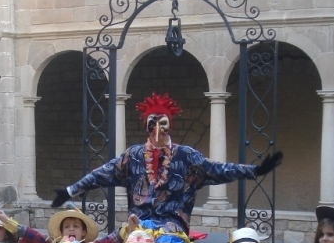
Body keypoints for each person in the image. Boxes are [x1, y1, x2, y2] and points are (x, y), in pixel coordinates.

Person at [52, 91, 283, 234]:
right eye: (153, 124)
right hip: (138, 223)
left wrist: (255, 170)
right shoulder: (132, 155)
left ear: (169, 124)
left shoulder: (187, 156)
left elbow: (219, 170)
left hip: (172, 225)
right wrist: (70, 191)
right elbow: (101, 174)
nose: (158, 129)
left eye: (162, 122)